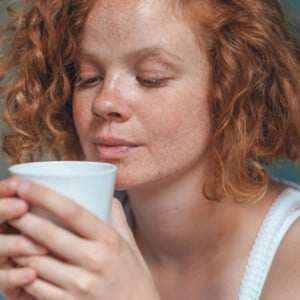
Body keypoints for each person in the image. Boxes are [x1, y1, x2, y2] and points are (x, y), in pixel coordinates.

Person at [0, 0, 299, 299]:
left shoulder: (291, 254)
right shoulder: (73, 247)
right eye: (88, 77)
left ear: (234, 86)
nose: (103, 102)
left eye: (150, 78)